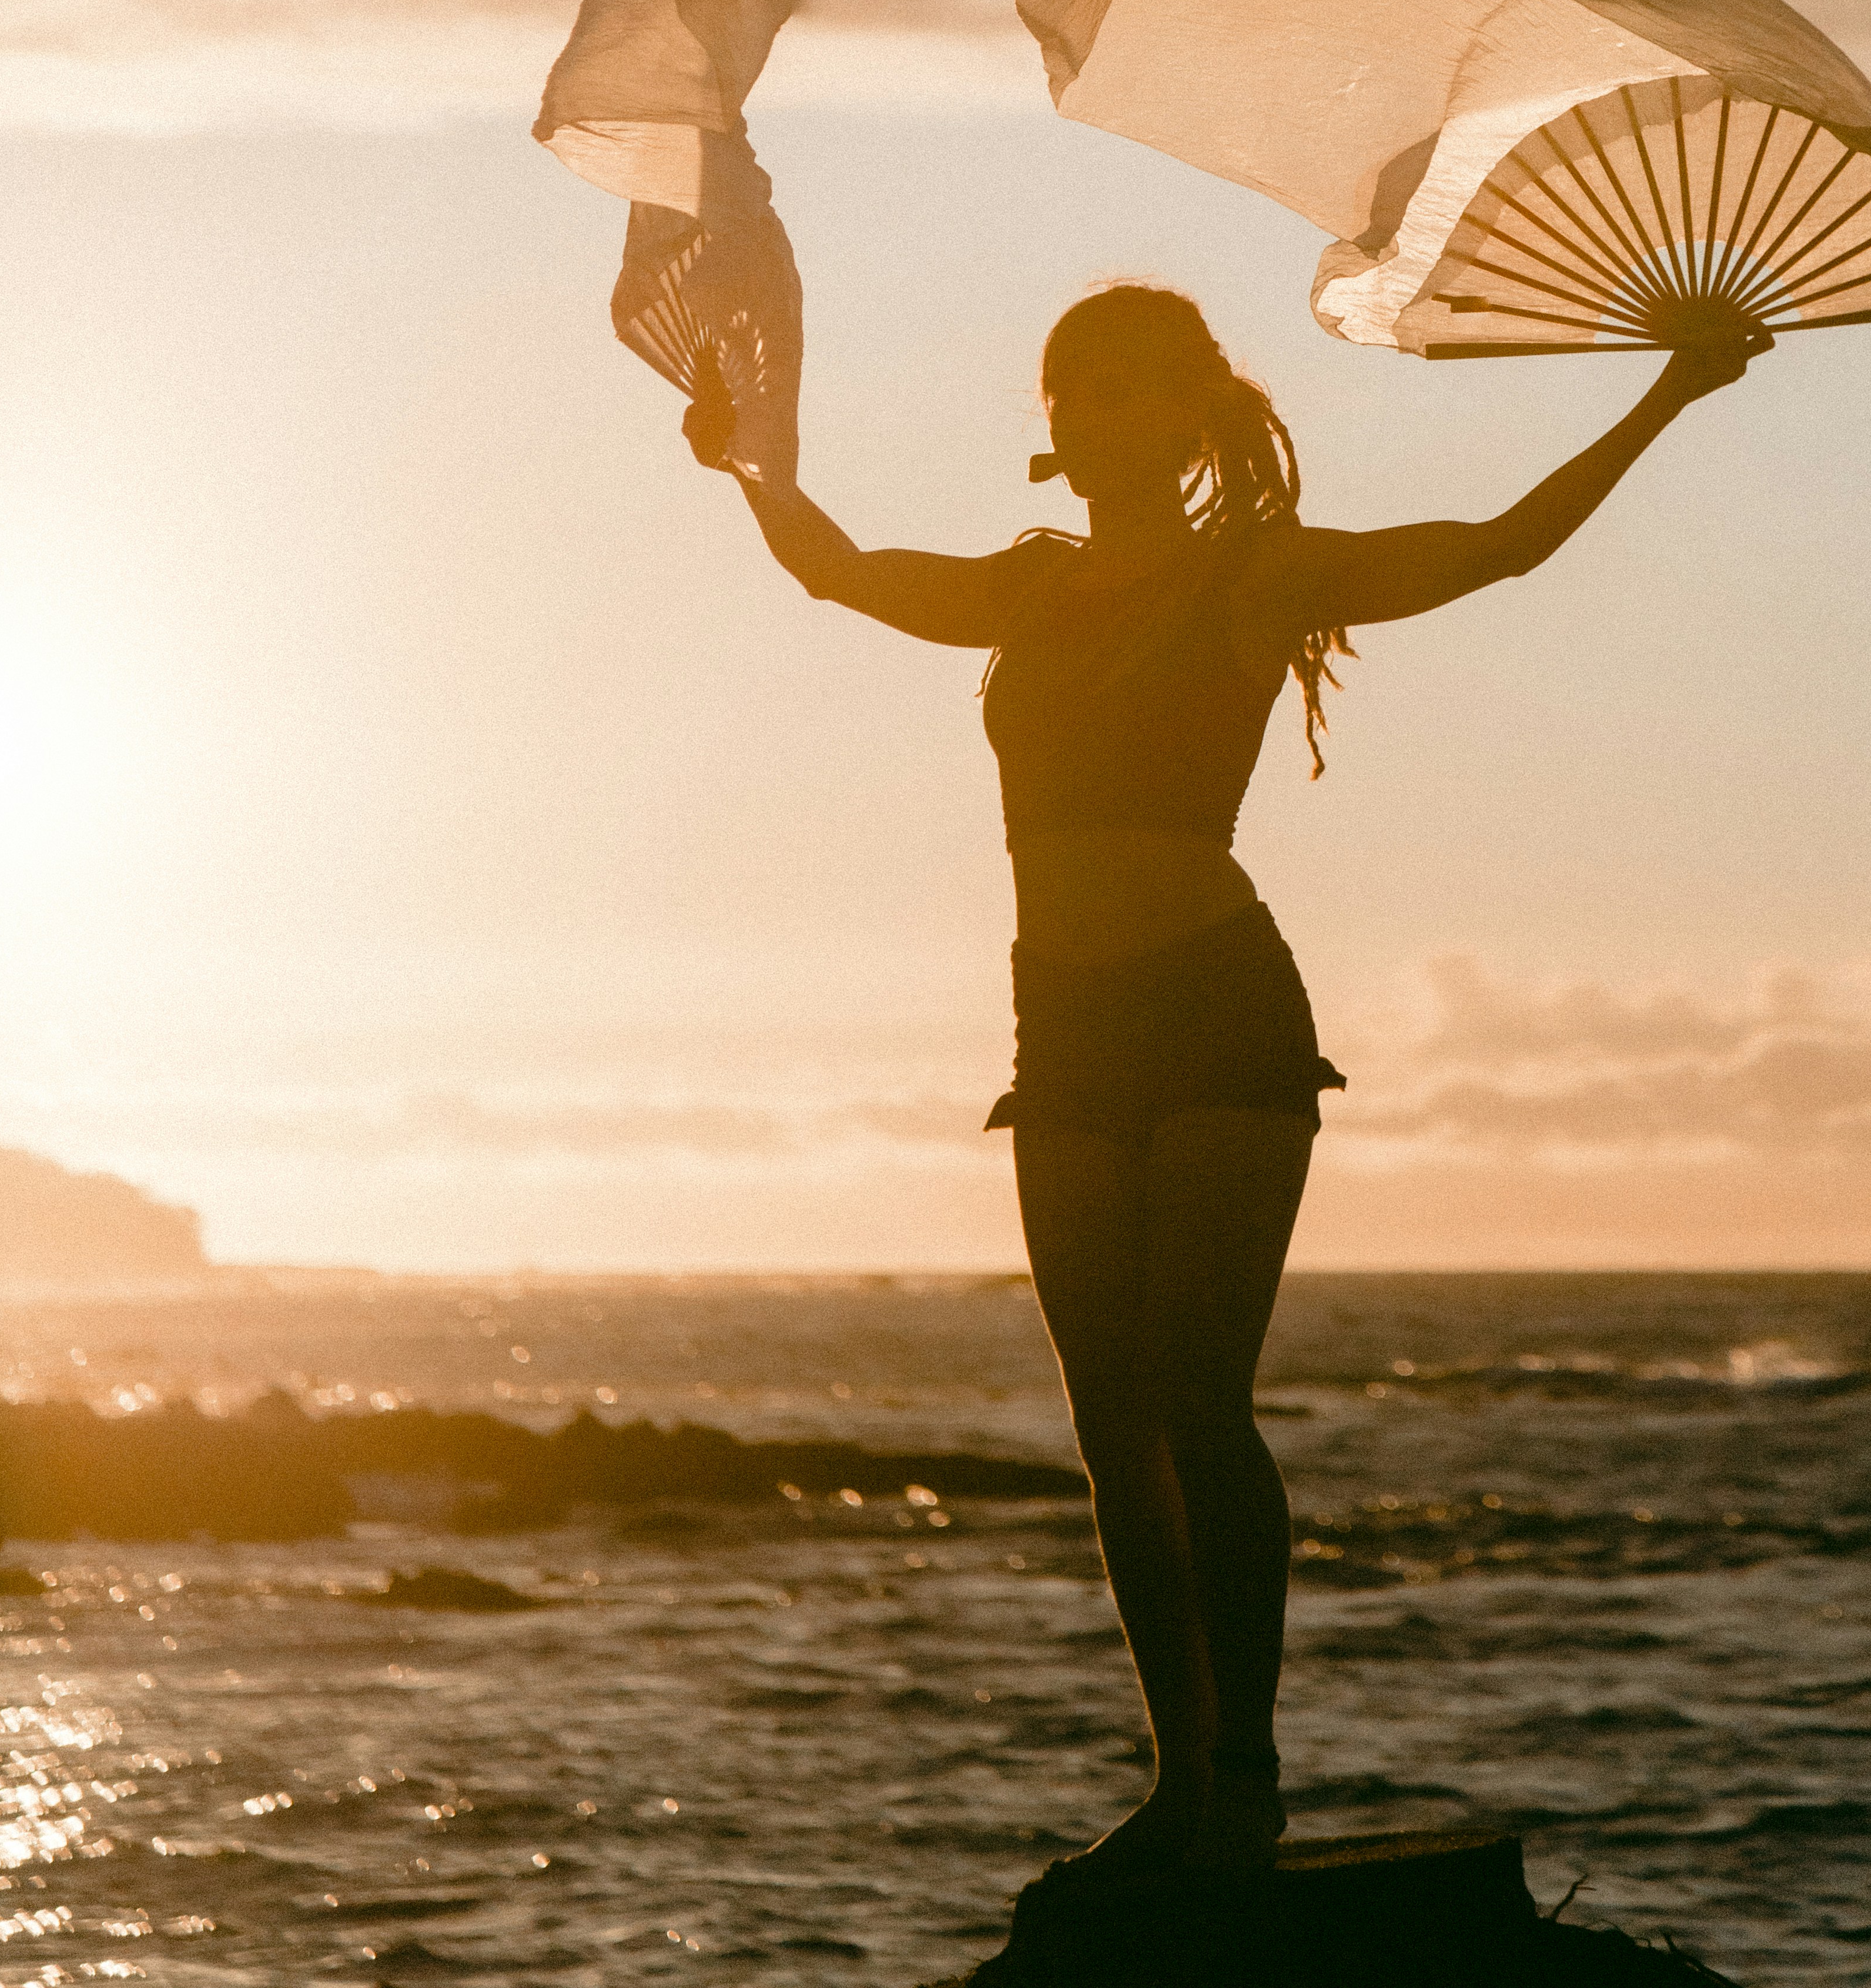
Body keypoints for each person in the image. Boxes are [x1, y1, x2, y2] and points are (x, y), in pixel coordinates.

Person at [684, 280, 1766, 1885]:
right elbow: (843, 574)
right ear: (1053, 423)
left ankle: (1246, 1774)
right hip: (1063, 1027)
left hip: (1213, 1009)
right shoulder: (1028, 591)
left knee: (1199, 1401)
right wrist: (752, 468)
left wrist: (1670, 395)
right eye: (1075, 387)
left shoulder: (1256, 575)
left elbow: (1497, 547)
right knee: (1112, 1426)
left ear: (1191, 414)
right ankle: (1181, 1779)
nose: (1096, 411)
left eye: (1130, 386)